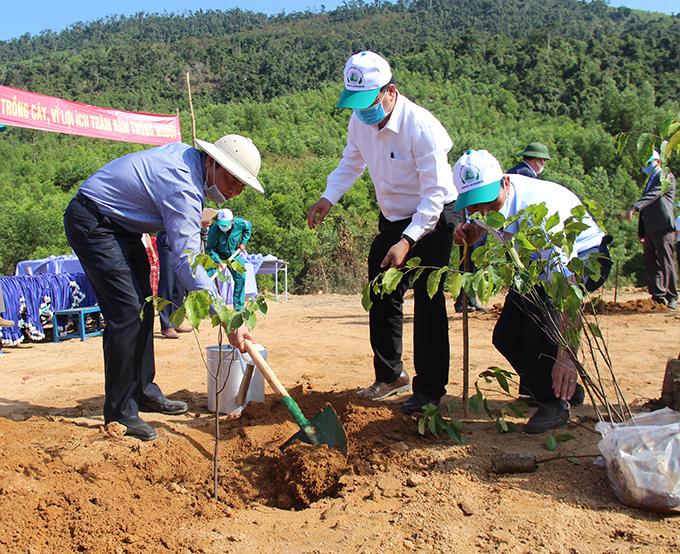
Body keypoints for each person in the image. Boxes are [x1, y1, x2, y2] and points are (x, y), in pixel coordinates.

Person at [63, 134, 264, 441]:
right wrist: (224, 315)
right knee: (127, 313)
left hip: (124, 229)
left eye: (241, 186)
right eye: (230, 180)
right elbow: (185, 260)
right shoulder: (183, 184)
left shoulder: (191, 168)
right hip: (94, 221)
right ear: (211, 162)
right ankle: (120, 412)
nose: (233, 191)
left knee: (144, 304)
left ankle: (143, 390)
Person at [307, 51, 458, 415]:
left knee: (427, 298)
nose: (363, 111)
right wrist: (328, 198)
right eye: (356, 104)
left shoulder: (420, 127)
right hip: (393, 219)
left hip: (434, 218)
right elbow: (351, 161)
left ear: (390, 91)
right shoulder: (360, 122)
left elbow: (436, 193)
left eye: (369, 101)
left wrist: (409, 241)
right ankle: (391, 375)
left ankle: (429, 390)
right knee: (381, 288)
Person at [453, 149, 612, 433]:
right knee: (507, 335)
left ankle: (554, 403)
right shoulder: (487, 203)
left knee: (542, 314)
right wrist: (475, 232)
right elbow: (485, 219)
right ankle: (561, 389)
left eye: (488, 202)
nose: (484, 211)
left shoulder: (539, 208)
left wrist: (566, 356)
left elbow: (568, 292)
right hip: (536, 264)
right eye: (475, 206)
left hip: (586, 258)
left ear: (504, 183)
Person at [625, 151, 678, 309]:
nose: (645, 167)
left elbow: (653, 196)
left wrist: (635, 206)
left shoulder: (666, 175)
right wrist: (642, 232)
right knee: (651, 263)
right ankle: (657, 295)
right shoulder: (651, 179)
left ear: (658, 161)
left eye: (647, 163)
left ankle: (672, 296)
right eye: (643, 164)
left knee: (665, 261)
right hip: (650, 227)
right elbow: (647, 208)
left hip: (662, 224)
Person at [206, 208, 252, 311]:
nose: (223, 226)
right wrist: (218, 261)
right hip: (217, 256)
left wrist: (243, 242)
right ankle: (209, 308)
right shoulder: (214, 230)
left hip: (233, 255)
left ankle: (239, 309)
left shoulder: (240, 223)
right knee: (208, 279)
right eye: (221, 224)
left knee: (241, 277)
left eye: (226, 224)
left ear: (232, 221)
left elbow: (248, 227)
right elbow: (210, 249)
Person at [156, 230, 191, 339]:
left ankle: (176, 322)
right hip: (168, 240)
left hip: (182, 243)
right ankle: (166, 325)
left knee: (179, 285)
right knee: (168, 283)